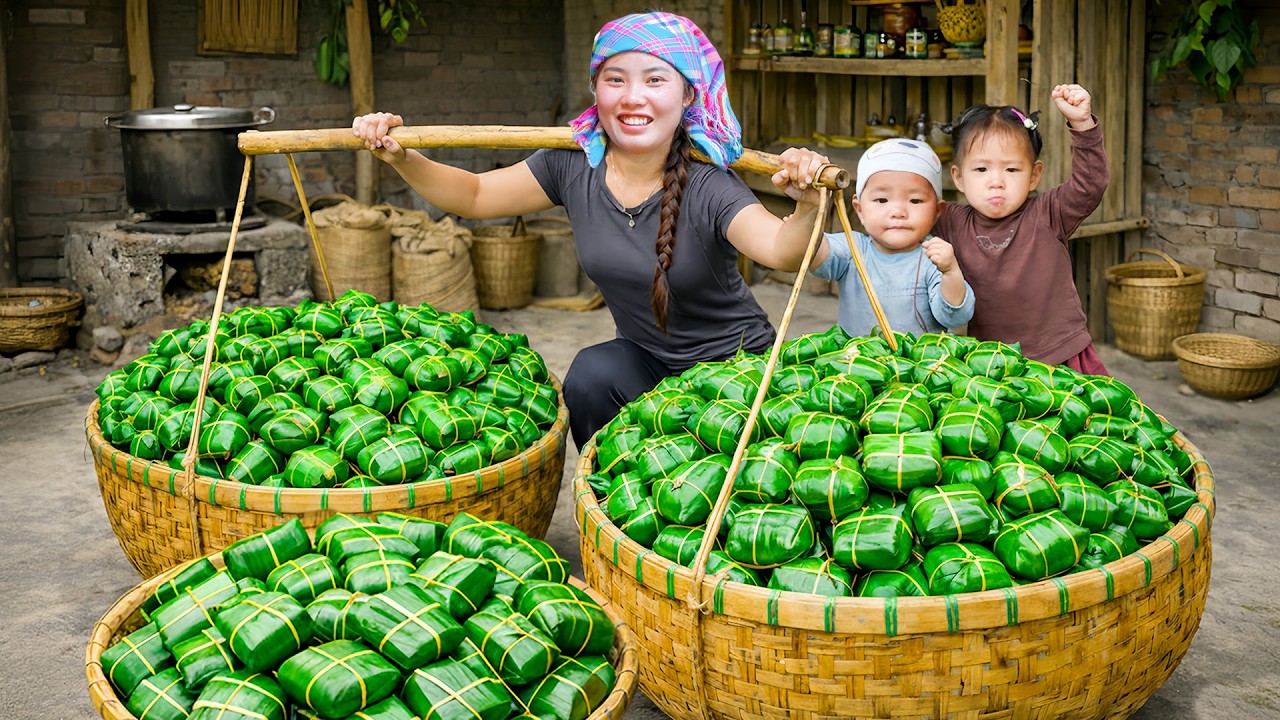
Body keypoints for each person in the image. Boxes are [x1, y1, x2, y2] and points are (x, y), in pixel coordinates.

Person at [352, 11, 831, 450]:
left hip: (737, 369)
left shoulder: (710, 184)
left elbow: (780, 249)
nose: (632, 97)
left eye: (655, 80)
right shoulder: (572, 165)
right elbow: (475, 196)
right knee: (590, 375)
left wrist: (809, 207)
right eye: (615, 79)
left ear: (688, 95)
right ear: (596, 89)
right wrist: (401, 156)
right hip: (646, 362)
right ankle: (608, 511)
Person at [932, 83, 1110, 374]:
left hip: (1059, 356)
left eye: (1011, 169)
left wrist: (1082, 124)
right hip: (987, 364)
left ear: (1034, 175)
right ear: (959, 177)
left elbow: (1090, 184)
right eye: (981, 169)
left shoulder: (1049, 213)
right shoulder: (949, 220)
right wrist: (829, 173)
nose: (996, 181)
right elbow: (905, 203)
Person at [805, 137, 974, 337]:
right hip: (856, 364)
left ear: (937, 211)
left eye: (915, 200)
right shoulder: (853, 249)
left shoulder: (934, 258)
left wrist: (950, 271)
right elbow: (812, 253)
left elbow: (955, 318)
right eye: (882, 199)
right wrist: (805, 213)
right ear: (860, 209)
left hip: (918, 366)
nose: (898, 211)